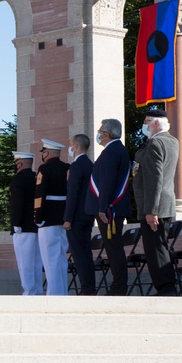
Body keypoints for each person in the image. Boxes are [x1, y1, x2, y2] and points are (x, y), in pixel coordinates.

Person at [132, 107, 179, 295]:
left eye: (147, 121)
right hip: (164, 204)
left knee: (156, 250)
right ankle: (166, 287)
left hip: (154, 207)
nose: (144, 125)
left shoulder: (155, 144)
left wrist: (151, 210)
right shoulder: (171, 141)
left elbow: (154, 179)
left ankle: (166, 289)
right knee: (159, 247)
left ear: (157, 123)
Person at [85, 118, 131, 295]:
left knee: (114, 249)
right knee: (113, 248)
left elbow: (107, 182)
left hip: (110, 210)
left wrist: (103, 206)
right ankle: (118, 286)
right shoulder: (115, 150)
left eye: (101, 131)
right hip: (111, 208)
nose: (99, 134)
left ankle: (118, 288)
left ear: (108, 134)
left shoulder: (112, 152)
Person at [34, 138, 70, 295]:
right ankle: (62, 292)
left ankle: (54, 294)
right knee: (61, 258)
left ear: (46, 152)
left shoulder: (44, 169)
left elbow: (39, 195)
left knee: (50, 260)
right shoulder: (68, 168)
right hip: (64, 217)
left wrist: (38, 217)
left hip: (48, 218)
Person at [63, 134, 96, 295]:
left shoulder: (76, 166)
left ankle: (87, 288)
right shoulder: (90, 164)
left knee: (79, 253)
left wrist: (68, 218)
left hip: (76, 217)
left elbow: (73, 194)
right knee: (86, 252)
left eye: (70, 144)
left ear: (75, 146)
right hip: (88, 215)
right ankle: (89, 286)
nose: (69, 148)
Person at [10, 151, 43, 295]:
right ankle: (37, 290)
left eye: (16, 163)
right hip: (37, 226)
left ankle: (29, 291)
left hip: (22, 227)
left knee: (25, 262)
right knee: (36, 262)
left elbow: (18, 203)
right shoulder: (37, 178)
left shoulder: (19, 179)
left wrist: (16, 223)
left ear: (20, 163)